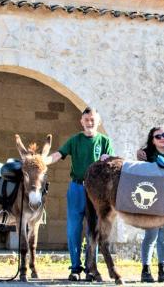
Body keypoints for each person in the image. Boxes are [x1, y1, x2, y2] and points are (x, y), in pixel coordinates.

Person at [45, 107, 114, 281]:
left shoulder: (104, 141)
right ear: (81, 122)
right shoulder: (74, 140)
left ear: (98, 122)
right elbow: (58, 154)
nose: (90, 123)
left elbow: (112, 162)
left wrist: (108, 160)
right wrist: (43, 161)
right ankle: (75, 268)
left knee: (94, 229)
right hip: (76, 188)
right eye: (86, 120)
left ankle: (91, 267)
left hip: (96, 192)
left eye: (93, 120)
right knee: (73, 229)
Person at [136, 127, 164, 283]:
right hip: (152, 198)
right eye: (158, 136)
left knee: (163, 237)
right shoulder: (147, 155)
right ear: (152, 140)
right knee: (151, 235)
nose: (162, 138)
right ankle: (146, 270)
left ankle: (162, 270)